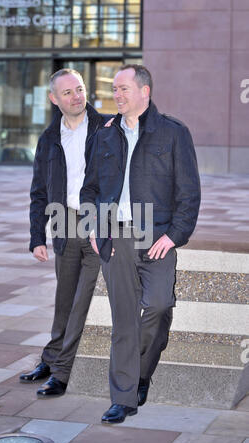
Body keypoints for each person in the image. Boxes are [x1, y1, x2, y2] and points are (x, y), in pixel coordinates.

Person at [80, 64, 201, 423]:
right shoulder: (103, 135)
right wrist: (92, 227)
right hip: (114, 235)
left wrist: (174, 235)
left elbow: (189, 193)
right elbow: (90, 189)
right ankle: (124, 397)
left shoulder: (173, 133)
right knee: (124, 321)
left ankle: (142, 373)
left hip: (156, 236)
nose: (116, 95)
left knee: (161, 305)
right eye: (114, 90)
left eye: (123, 89)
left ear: (144, 91)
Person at [20, 68, 113, 398]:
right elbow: (39, 192)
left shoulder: (108, 129)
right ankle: (51, 357)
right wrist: (37, 237)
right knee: (64, 299)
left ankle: (61, 372)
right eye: (68, 92)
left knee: (82, 300)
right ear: (53, 99)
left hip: (97, 224)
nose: (77, 96)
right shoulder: (48, 139)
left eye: (80, 89)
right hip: (63, 223)